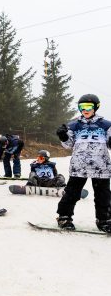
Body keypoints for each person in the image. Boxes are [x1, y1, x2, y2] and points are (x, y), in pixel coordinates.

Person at [55, 94, 111, 232]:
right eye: (82, 107)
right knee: (72, 193)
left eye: (88, 107)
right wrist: (63, 135)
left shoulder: (106, 125)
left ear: (96, 107)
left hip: (101, 167)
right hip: (79, 167)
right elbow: (68, 145)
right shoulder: (74, 125)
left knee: (103, 195)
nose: (84, 110)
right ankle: (64, 217)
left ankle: (104, 220)